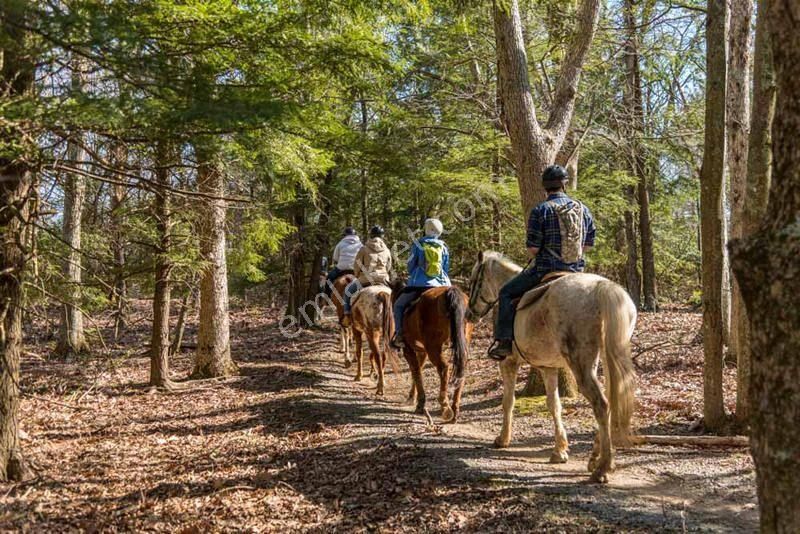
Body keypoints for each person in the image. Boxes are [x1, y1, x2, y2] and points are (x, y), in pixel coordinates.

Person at [487, 165, 596, 361]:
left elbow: (533, 249)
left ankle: (504, 343)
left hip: (545, 270)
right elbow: (588, 245)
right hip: (576, 270)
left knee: (505, 293)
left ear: (545, 187)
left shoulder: (541, 210)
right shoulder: (583, 209)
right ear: (564, 184)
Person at [390, 218, 451, 349]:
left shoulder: (418, 245)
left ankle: (399, 335)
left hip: (419, 284)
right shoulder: (444, 247)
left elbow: (410, 266)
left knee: (398, 305)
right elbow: (446, 268)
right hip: (442, 284)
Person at [341, 226, 393, 325]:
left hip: (366, 279)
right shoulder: (387, 250)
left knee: (347, 292)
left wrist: (357, 275)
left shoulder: (363, 249)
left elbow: (357, 265)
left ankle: (347, 315)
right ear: (382, 236)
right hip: (383, 279)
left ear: (371, 235)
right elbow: (388, 266)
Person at [324, 227, 362, 297]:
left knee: (329, 278)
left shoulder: (340, 244)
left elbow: (335, 258)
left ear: (345, 235)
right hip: (356, 269)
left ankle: (327, 298)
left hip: (341, 268)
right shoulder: (360, 245)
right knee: (367, 282)